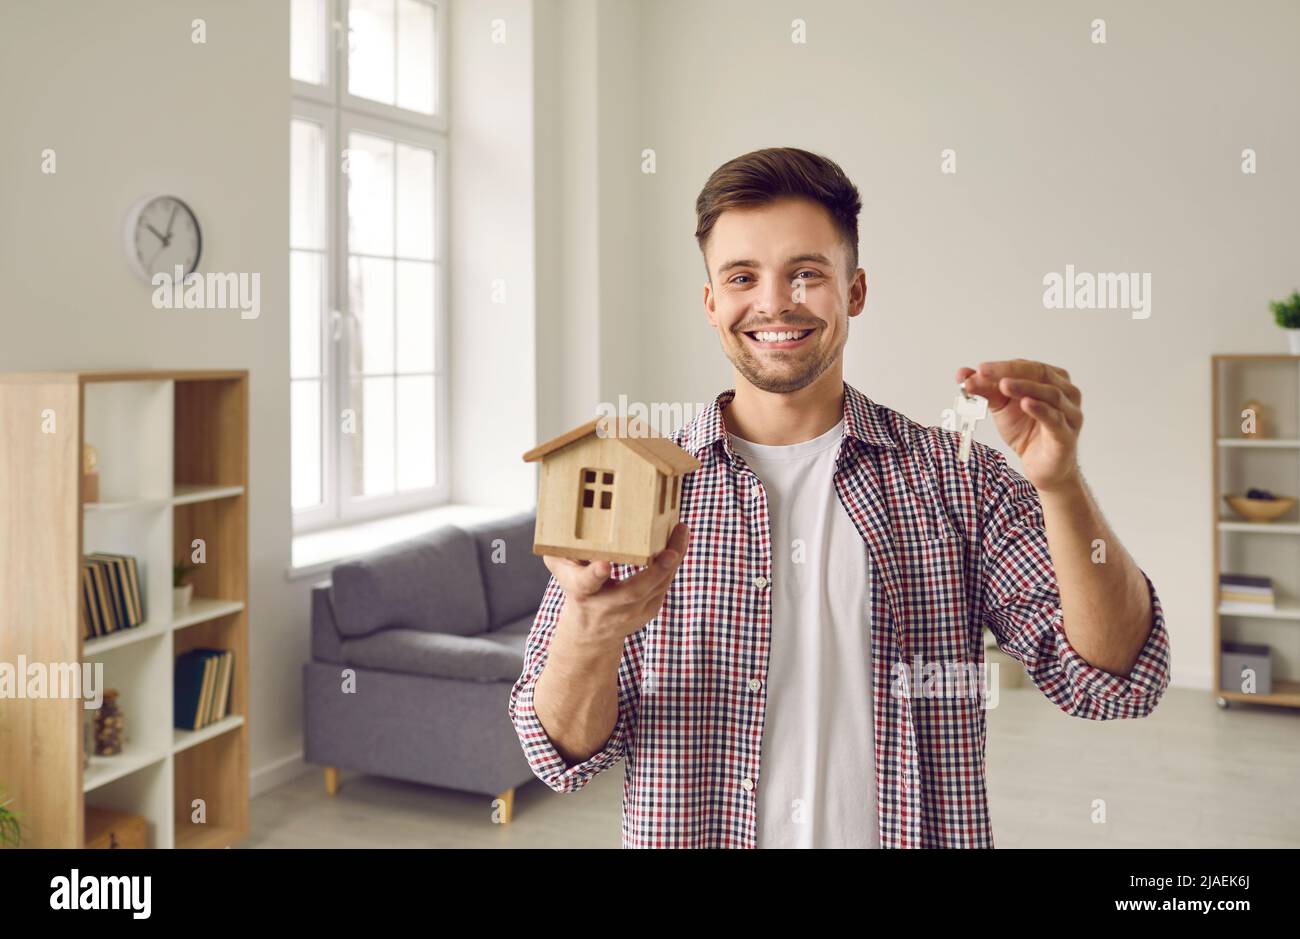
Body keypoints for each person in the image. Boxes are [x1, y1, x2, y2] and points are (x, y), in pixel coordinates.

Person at [509, 147, 1171, 848]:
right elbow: (558, 753)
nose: (774, 302)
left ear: (854, 291)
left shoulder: (959, 480)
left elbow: (1115, 684)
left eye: (806, 273)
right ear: (711, 303)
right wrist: (592, 627)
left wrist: (1061, 485)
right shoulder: (638, 490)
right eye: (742, 276)